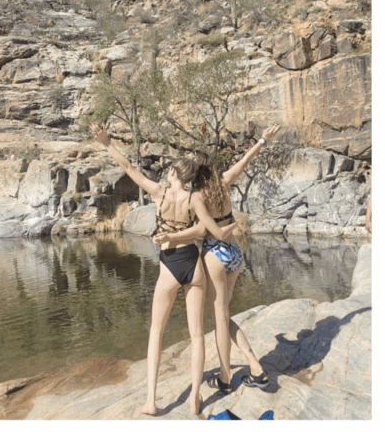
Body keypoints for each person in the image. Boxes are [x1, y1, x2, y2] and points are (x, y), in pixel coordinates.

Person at [90, 124, 237, 416]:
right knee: (197, 336)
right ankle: (195, 397)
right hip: (193, 263)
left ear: (172, 174)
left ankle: (151, 401)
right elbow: (202, 228)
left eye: (169, 171)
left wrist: (106, 143)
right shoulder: (195, 199)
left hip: (169, 266)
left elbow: (128, 167)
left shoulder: (159, 194)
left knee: (156, 332)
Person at [155, 125, 280, 394]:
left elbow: (205, 231)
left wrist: (170, 237)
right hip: (235, 254)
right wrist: (261, 140)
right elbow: (245, 161)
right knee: (222, 313)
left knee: (220, 317)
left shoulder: (196, 197)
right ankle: (254, 366)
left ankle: (227, 378)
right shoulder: (223, 181)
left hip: (216, 254)